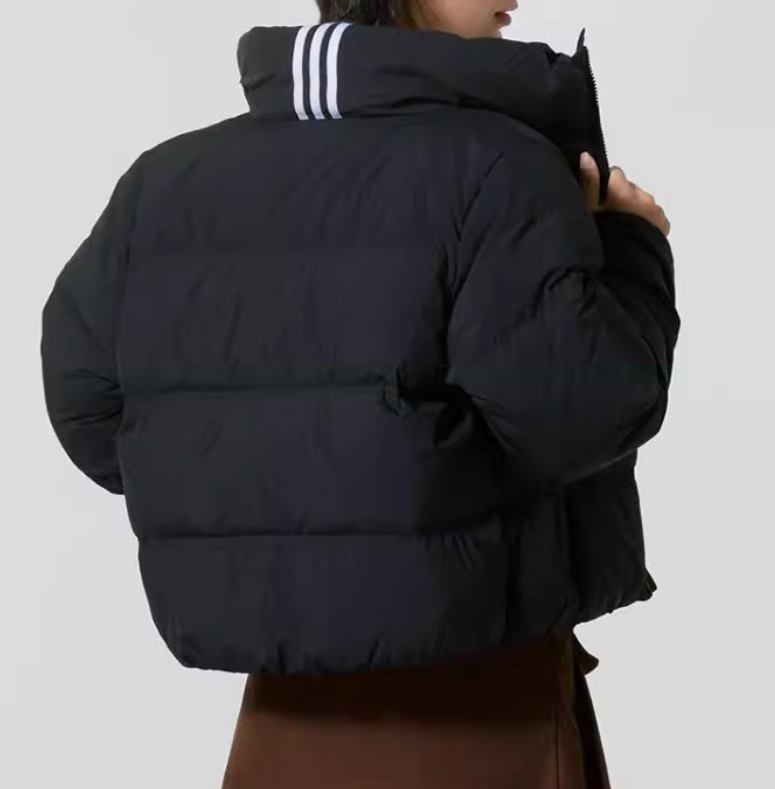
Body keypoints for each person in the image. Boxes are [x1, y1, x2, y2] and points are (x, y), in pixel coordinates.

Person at [40, 0, 679, 786]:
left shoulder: (164, 183)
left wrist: (265, 496)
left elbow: (89, 407)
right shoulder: (496, 165)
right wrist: (631, 247)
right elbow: (585, 413)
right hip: (478, 718)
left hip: (278, 724)